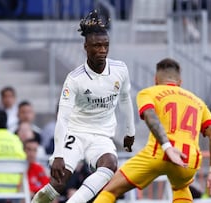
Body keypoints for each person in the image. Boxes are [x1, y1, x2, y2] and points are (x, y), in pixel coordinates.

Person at [31, 10, 136, 203]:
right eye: (97, 45)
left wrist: (130, 132)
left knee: (110, 163)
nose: (103, 50)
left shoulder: (120, 70)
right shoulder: (75, 79)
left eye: (106, 45)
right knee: (58, 185)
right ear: (86, 47)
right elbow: (62, 117)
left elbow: (125, 99)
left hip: (101, 136)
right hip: (76, 133)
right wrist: (58, 154)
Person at [93, 58, 211, 203]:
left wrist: (167, 147)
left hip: (158, 153)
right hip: (188, 160)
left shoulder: (148, 92)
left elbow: (150, 115)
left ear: (156, 80)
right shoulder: (198, 102)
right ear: (180, 82)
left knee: (110, 189)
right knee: (181, 187)